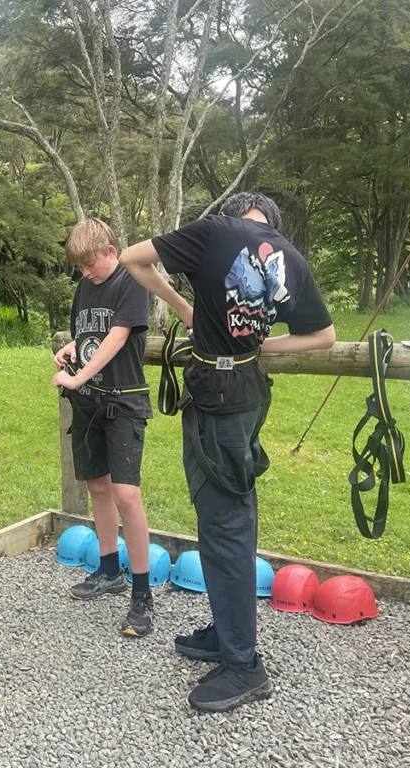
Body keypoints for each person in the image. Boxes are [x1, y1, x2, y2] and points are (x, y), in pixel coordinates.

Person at [121, 192, 336, 713]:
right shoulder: (288, 254)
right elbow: (324, 336)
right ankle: (227, 631)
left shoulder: (215, 230)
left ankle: (244, 666)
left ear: (236, 211)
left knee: (226, 524)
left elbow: (131, 258)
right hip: (245, 391)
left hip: (218, 397)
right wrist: (262, 346)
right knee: (226, 515)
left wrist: (182, 307)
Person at [52, 218, 156, 636]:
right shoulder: (85, 287)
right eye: (80, 266)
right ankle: (109, 570)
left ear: (110, 252)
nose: (85, 272)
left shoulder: (132, 281)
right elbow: (91, 335)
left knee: (126, 494)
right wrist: (71, 348)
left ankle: (142, 595)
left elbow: (117, 337)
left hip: (125, 400)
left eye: (89, 263)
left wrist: (78, 375)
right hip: (89, 402)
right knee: (97, 486)